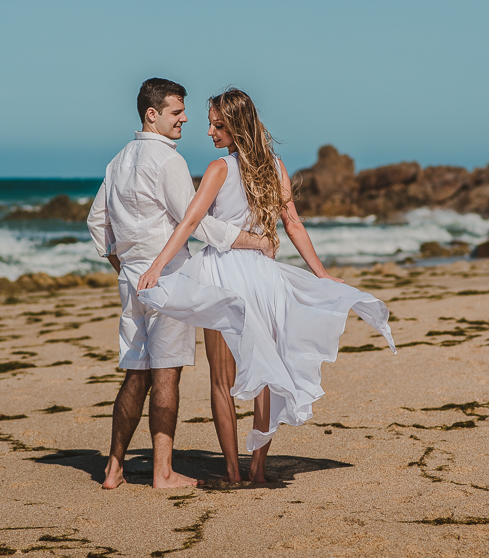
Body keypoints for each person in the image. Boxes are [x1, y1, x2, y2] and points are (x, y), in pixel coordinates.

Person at [137, 87, 395, 484]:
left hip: (224, 276)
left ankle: (232, 472)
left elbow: (190, 223)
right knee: (266, 374)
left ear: (237, 127)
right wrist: (321, 273)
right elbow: (292, 224)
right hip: (265, 276)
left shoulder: (218, 169)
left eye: (218, 125)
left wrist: (157, 265)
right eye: (209, 123)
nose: (209, 131)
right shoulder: (274, 166)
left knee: (221, 381)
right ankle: (257, 469)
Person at [86, 78, 273, 490]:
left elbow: (96, 222)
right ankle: (162, 472)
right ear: (151, 114)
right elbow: (198, 224)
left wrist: (124, 265)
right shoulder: (168, 161)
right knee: (166, 374)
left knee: (136, 373)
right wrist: (254, 241)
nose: (184, 118)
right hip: (167, 279)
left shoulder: (117, 162)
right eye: (176, 111)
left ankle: (114, 468)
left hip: (132, 279)